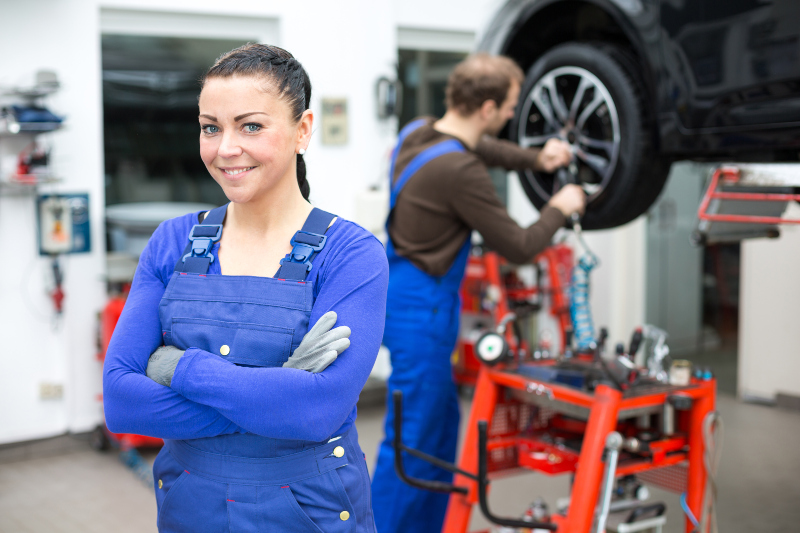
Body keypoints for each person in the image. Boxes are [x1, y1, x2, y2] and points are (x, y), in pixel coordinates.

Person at [103, 44, 388, 533]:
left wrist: (177, 367)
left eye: (250, 125)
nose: (224, 148)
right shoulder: (172, 242)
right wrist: (276, 388)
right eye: (211, 127)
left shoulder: (351, 254)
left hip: (310, 510)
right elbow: (121, 401)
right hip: (191, 509)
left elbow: (318, 410)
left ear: (303, 129)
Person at [371, 53, 586, 533]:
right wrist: (559, 205)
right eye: (509, 106)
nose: (512, 115)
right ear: (487, 107)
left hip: (401, 290)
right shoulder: (461, 173)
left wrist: (536, 158)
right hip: (423, 309)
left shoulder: (417, 132)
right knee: (413, 440)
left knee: (441, 427)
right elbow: (522, 245)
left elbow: (483, 149)